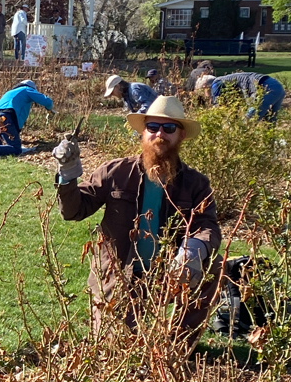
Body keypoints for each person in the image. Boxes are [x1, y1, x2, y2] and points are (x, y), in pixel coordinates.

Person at [53, 95, 221, 330]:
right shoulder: (115, 172)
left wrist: (192, 250)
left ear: (181, 135)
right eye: (152, 127)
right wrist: (67, 176)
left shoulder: (195, 183)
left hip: (168, 272)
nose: (160, 134)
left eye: (169, 128)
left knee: (214, 266)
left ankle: (178, 345)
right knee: (114, 348)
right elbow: (74, 211)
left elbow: (207, 225)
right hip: (121, 273)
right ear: (143, 132)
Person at [0, 79, 52, 157]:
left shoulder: (9, 92)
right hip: (5, 116)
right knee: (16, 149)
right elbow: (47, 101)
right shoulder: (27, 89)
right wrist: (50, 109)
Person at [204, 71, 285, 122]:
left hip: (265, 87)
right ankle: (270, 148)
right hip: (277, 86)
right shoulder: (228, 80)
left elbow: (217, 106)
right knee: (268, 123)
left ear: (205, 87)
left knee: (248, 121)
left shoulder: (216, 83)